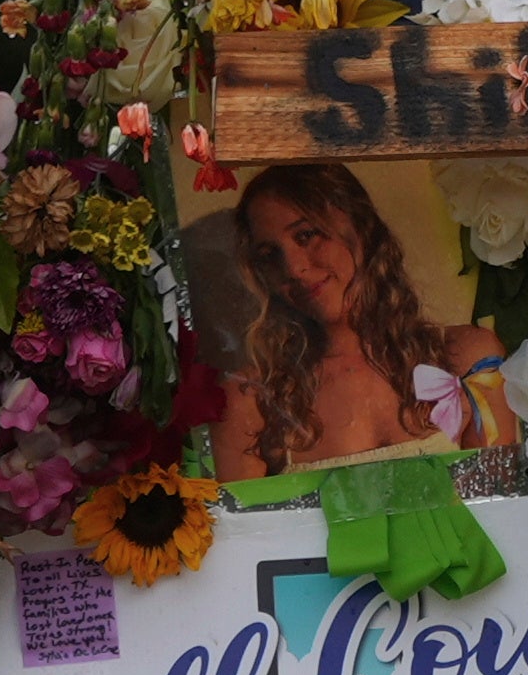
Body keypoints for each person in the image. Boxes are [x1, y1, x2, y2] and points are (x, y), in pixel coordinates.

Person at [206, 162, 499, 477]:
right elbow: (248, 526)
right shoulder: (253, 402)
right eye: (269, 255)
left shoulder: (467, 361)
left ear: (361, 225)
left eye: (306, 235)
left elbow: (504, 513)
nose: (293, 268)